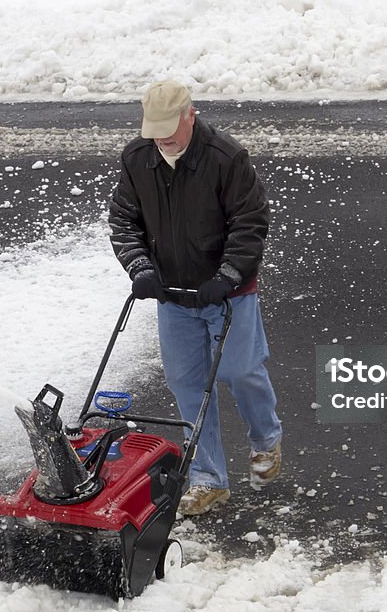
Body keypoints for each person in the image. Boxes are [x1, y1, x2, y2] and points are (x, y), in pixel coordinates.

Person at [108, 80, 282, 515]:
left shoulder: (226, 157)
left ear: (190, 114)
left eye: (170, 126)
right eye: (155, 128)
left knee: (242, 373)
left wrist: (227, 275)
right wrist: (141, 269)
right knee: (187, 386)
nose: (162, 137)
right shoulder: (138, 158)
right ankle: (209, 479)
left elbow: (250, 221)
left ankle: (266, 441)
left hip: (228, 294)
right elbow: (124, 220)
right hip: (173, 296)